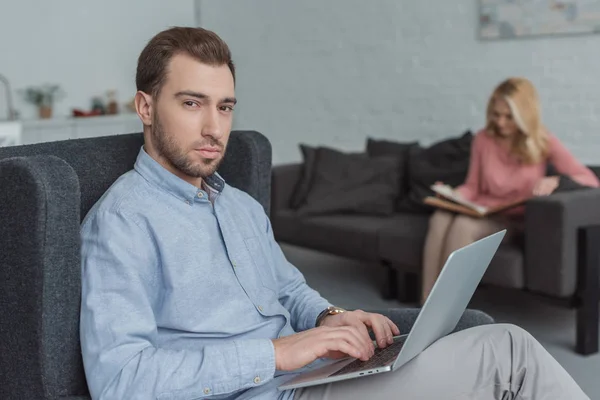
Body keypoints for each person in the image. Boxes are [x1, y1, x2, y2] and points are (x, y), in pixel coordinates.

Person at [79, 28, 590, 400]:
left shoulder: (237, 204)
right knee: (509, 354)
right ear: (145, 107)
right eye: (193, 104)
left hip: (312, 378)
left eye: (226, 106)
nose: (215, 127)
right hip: (264, 392)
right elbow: (120, 381)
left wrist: (333, 318)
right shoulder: (121, 222)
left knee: (490, 349)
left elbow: (289, 290)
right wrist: (277, 355)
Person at [421, 77, 600, 305]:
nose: (501, 122)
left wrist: (555, 181)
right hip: (483, 210)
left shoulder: (543, 140)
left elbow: (591, 181)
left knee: (462, 225)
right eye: (496, 115)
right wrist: (453, 195)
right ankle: (426, 304)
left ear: (524, 116)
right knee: (440, 217)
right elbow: (473, 187)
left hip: (514, 218)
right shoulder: (483, 139)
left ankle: (449, 309)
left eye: (509, 117)